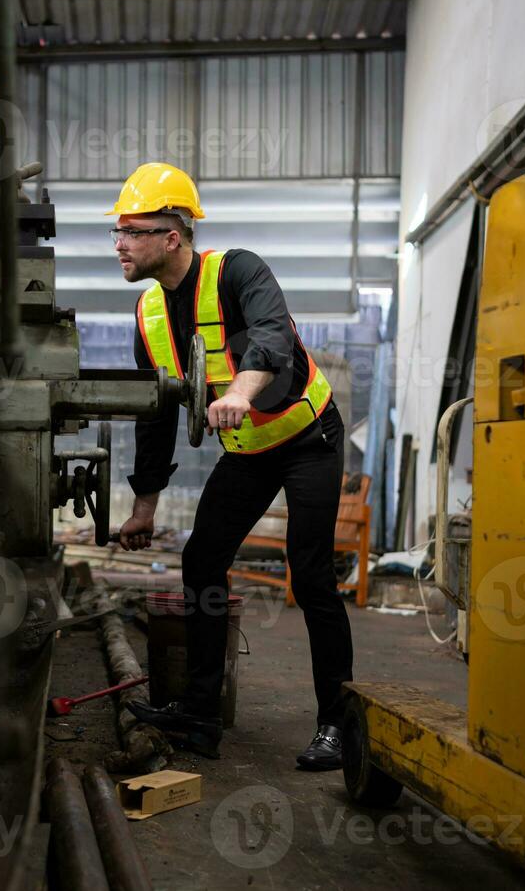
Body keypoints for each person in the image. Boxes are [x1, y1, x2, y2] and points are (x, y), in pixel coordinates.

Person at [109, 162, 354, 769]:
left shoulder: (238, 270)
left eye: (132, 231)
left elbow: (271, 335)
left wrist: (240, 393)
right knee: (201, 558)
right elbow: (156, 415)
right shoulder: (148, 317)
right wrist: (144, 507)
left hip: (307, 439)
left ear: (172, 236)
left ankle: (338, 725)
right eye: (117, 232)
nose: (119, 244)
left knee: (312, 572)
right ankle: (198, 714)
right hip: (251, 454)